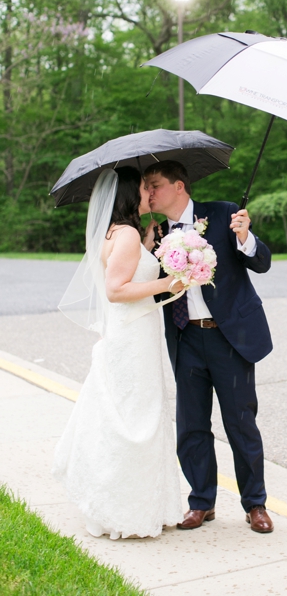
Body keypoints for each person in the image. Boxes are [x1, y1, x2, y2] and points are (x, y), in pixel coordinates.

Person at [143, 160, 275, 534]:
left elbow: (262, 262)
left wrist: (245, 237)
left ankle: (256, 504)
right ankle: (201, 502)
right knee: (190, 425)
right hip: (185, 337)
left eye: (155, 185)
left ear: (179, 186)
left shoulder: (223, 214)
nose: (149, 193)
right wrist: (149, 249)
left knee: (240, 422)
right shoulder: (155, 233)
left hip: (228, 336)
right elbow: (150, 292)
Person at [53, 167, 185, 539]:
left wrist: (148, 246)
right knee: (137, 418)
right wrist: (167, 281)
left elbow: (126, 273)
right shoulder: (125, 234)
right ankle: (127, 509)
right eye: (145, 188)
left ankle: (115, 504)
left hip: (127, 333)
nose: (150, 194)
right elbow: (116, 289)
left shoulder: (118, 233)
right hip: (133, 339)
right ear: (131, 193)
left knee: (122, 416)